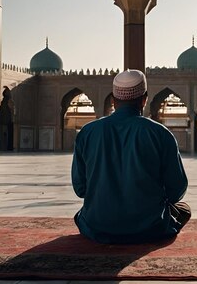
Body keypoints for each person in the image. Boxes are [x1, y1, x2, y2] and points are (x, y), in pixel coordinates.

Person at [71, 69, 190, 244]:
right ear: (145, 99)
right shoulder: (160, 133)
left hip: (97, 226)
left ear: (113, 99)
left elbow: (80, 189)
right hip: (150, 228)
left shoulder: (87, 132)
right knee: (183, 209)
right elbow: (176, 190)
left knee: (83, 215)